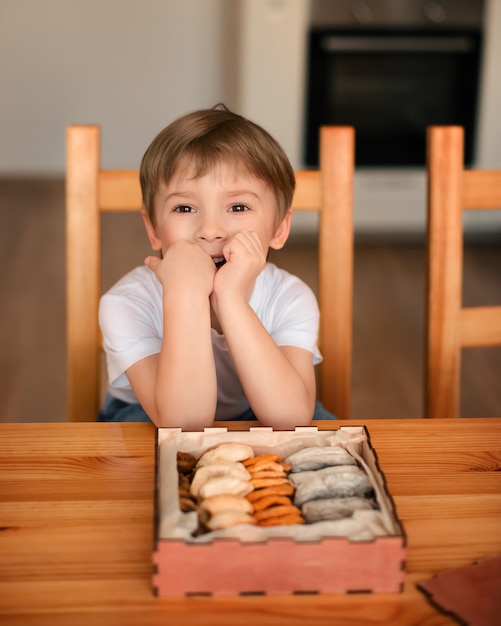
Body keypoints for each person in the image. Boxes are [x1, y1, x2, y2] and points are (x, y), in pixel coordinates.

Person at [98, 105, 335, 428]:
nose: (210, 229)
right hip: (152, 411)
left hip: (264, 408)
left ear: (279, 229)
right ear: (153, 229)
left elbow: (290, 418)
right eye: (184, 207)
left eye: (238, 206)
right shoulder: (127, 303)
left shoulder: (290, 297)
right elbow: (183, 424)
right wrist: (185, 296)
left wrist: (231, 299)